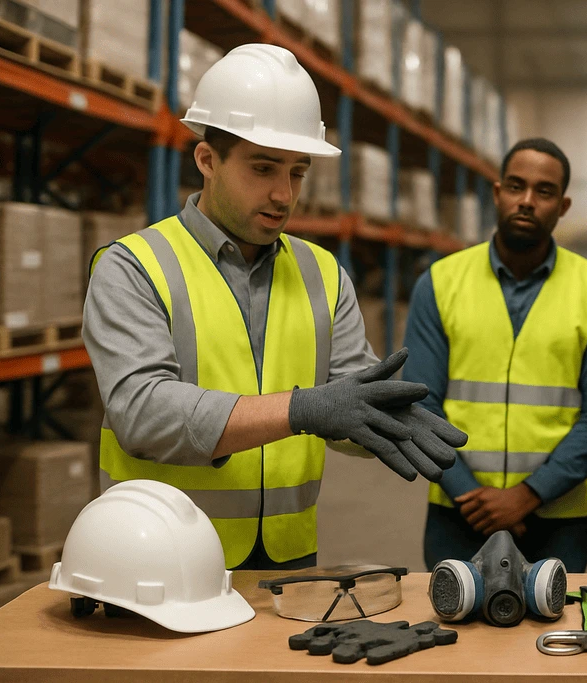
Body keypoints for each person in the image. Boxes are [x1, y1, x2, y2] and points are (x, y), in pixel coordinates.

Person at [83, 44, 466, 571]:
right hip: (158, 558)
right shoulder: (133, 267)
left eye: (298, 172)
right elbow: (144, 414)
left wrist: (375, 419)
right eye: (263, 169)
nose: (284, 195)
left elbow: (345, 403)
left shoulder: (324, 274)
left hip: (288, 566)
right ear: (207, 160)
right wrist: (302, 408)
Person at [402, 138, 587, 572]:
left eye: (544, 191)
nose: (527, 201)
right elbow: (420, 404)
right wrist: (471, 497)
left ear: (563, 205)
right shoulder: (440, 282)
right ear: (497, 194)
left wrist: (527, 495)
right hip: (458, 511)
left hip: (559, 517)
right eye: (516, 187)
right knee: (459, 632)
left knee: (552, 632)